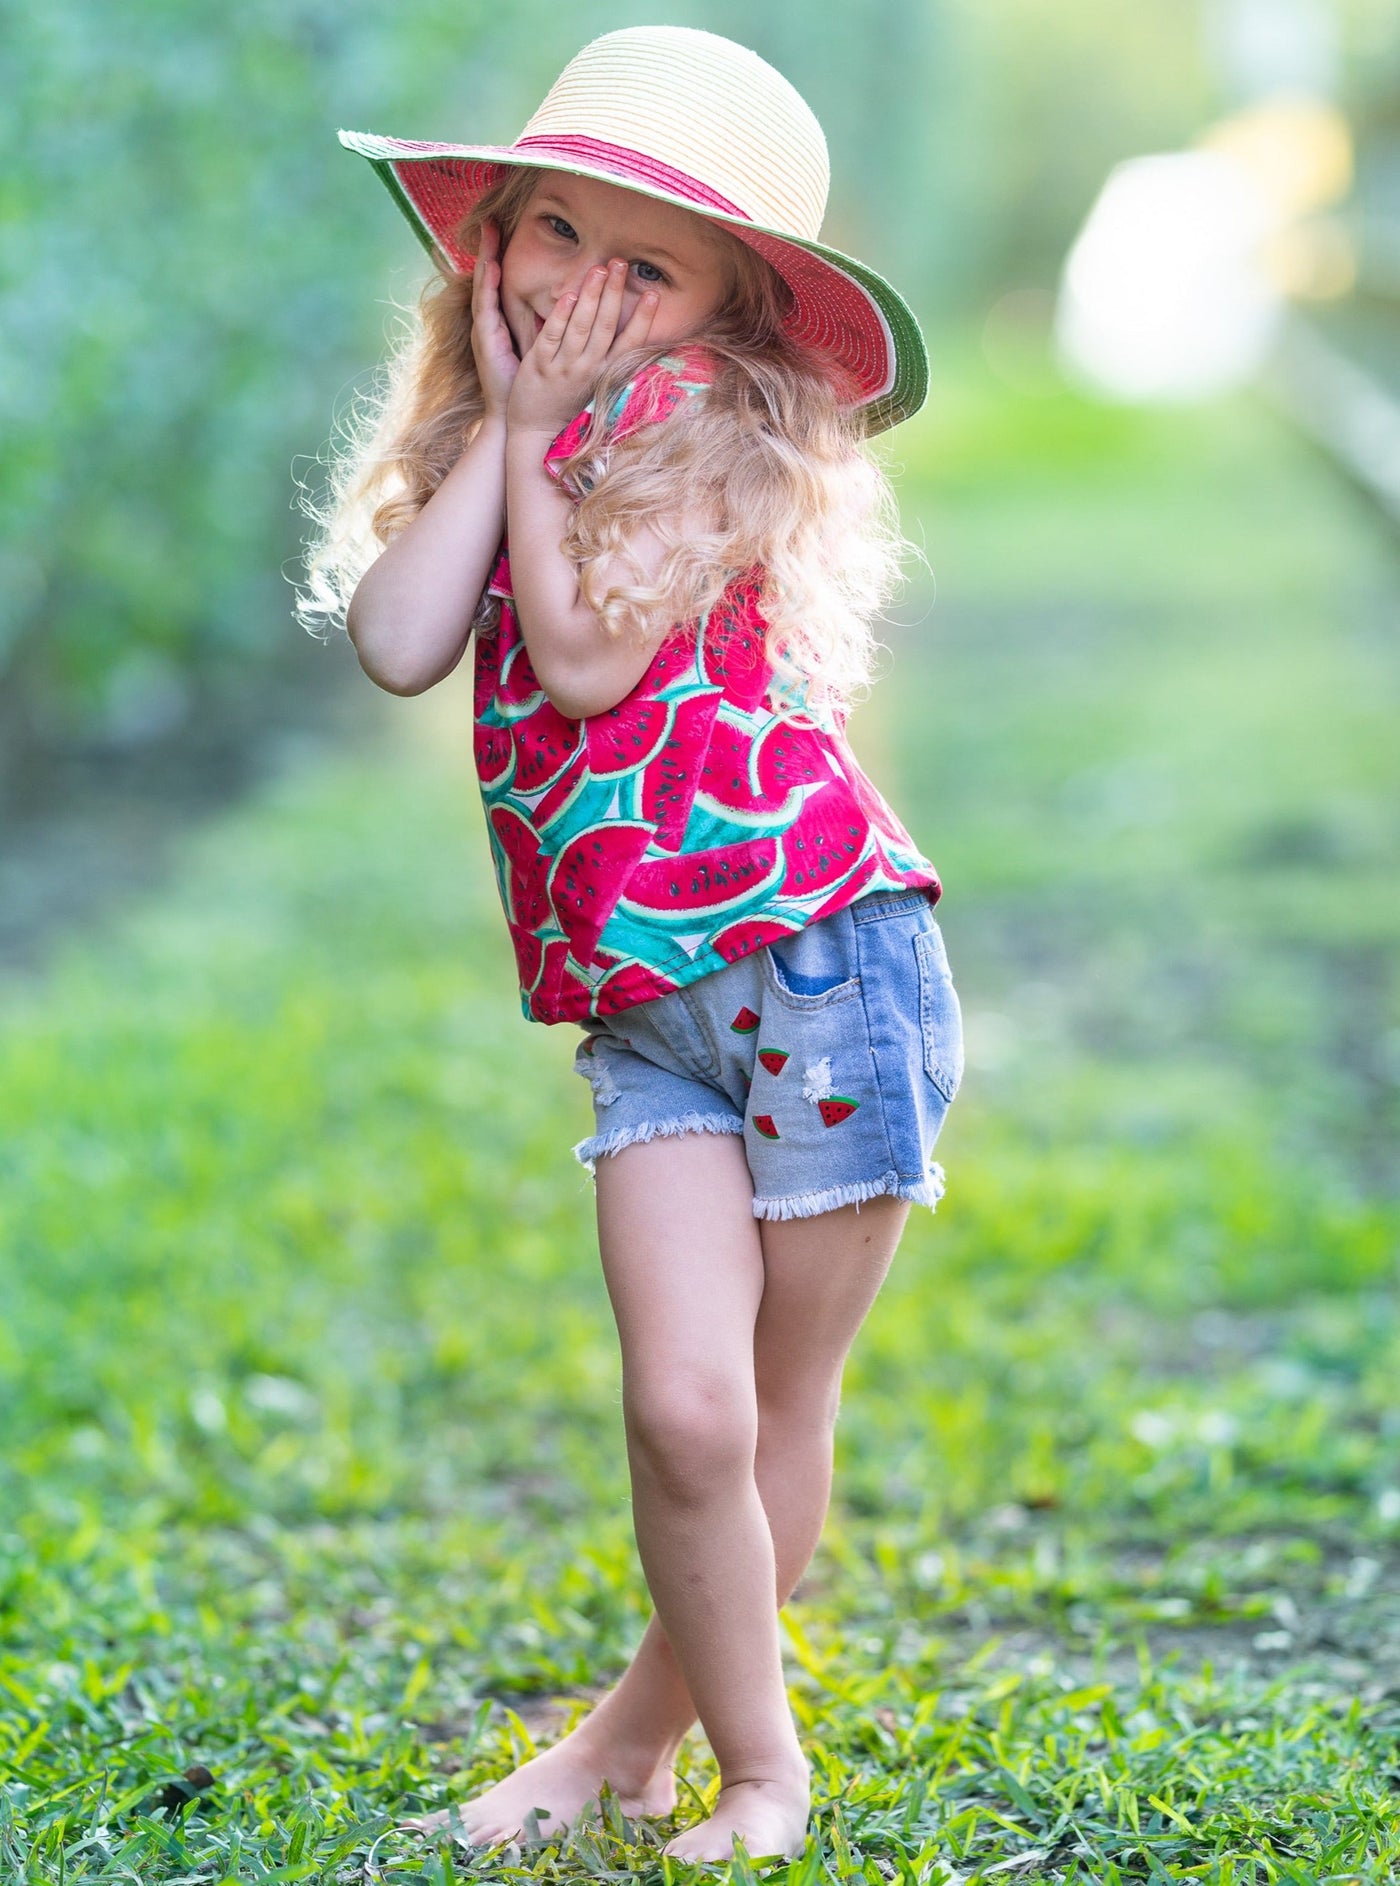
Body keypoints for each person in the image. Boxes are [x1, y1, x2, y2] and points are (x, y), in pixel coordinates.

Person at [300, 24, 964, 1867]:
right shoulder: (504, 435)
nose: (583, 291)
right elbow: (398, 642)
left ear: (729, 310)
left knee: (767, 1402)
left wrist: (538, 441)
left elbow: (587, 657)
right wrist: (506, 437)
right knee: (679, 1406)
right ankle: (639, 1747)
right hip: (653, 1012)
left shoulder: (706, 432)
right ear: (491, 236)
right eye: (554, 233)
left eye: (647, 267)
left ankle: (735, 1767)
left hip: (822, 967)